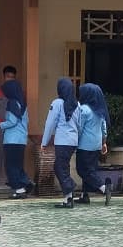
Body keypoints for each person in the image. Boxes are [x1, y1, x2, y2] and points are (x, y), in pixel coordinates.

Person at [41, 78, 82, 208]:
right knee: (63, 167)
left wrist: (44, 142)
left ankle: (70, 189)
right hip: (72, 141)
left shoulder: (57, 103)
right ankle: (68, 198)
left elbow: (50, 123)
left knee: (59, 167)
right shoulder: (77, 104)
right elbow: (80, 125)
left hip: (62, 141)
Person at [76, 83, 112, 205]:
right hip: (96, 145)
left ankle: (103, 188)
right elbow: (104, 129)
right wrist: (104, 143)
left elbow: (79, 127)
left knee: (82, 170)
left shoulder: (84, 109)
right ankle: (84, 195)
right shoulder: (99, 110)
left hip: (84, 145)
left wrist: (75, 140)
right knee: (90, 169)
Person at [0, 79, 31, 199]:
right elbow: (25, 121)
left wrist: (0, 125)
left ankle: (19, 190)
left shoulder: (12, 102)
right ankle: (26, 183)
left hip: (12, 140)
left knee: (11, 166)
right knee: (17, 165)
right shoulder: (22, 104)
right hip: (21, 140)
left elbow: (12, 121)